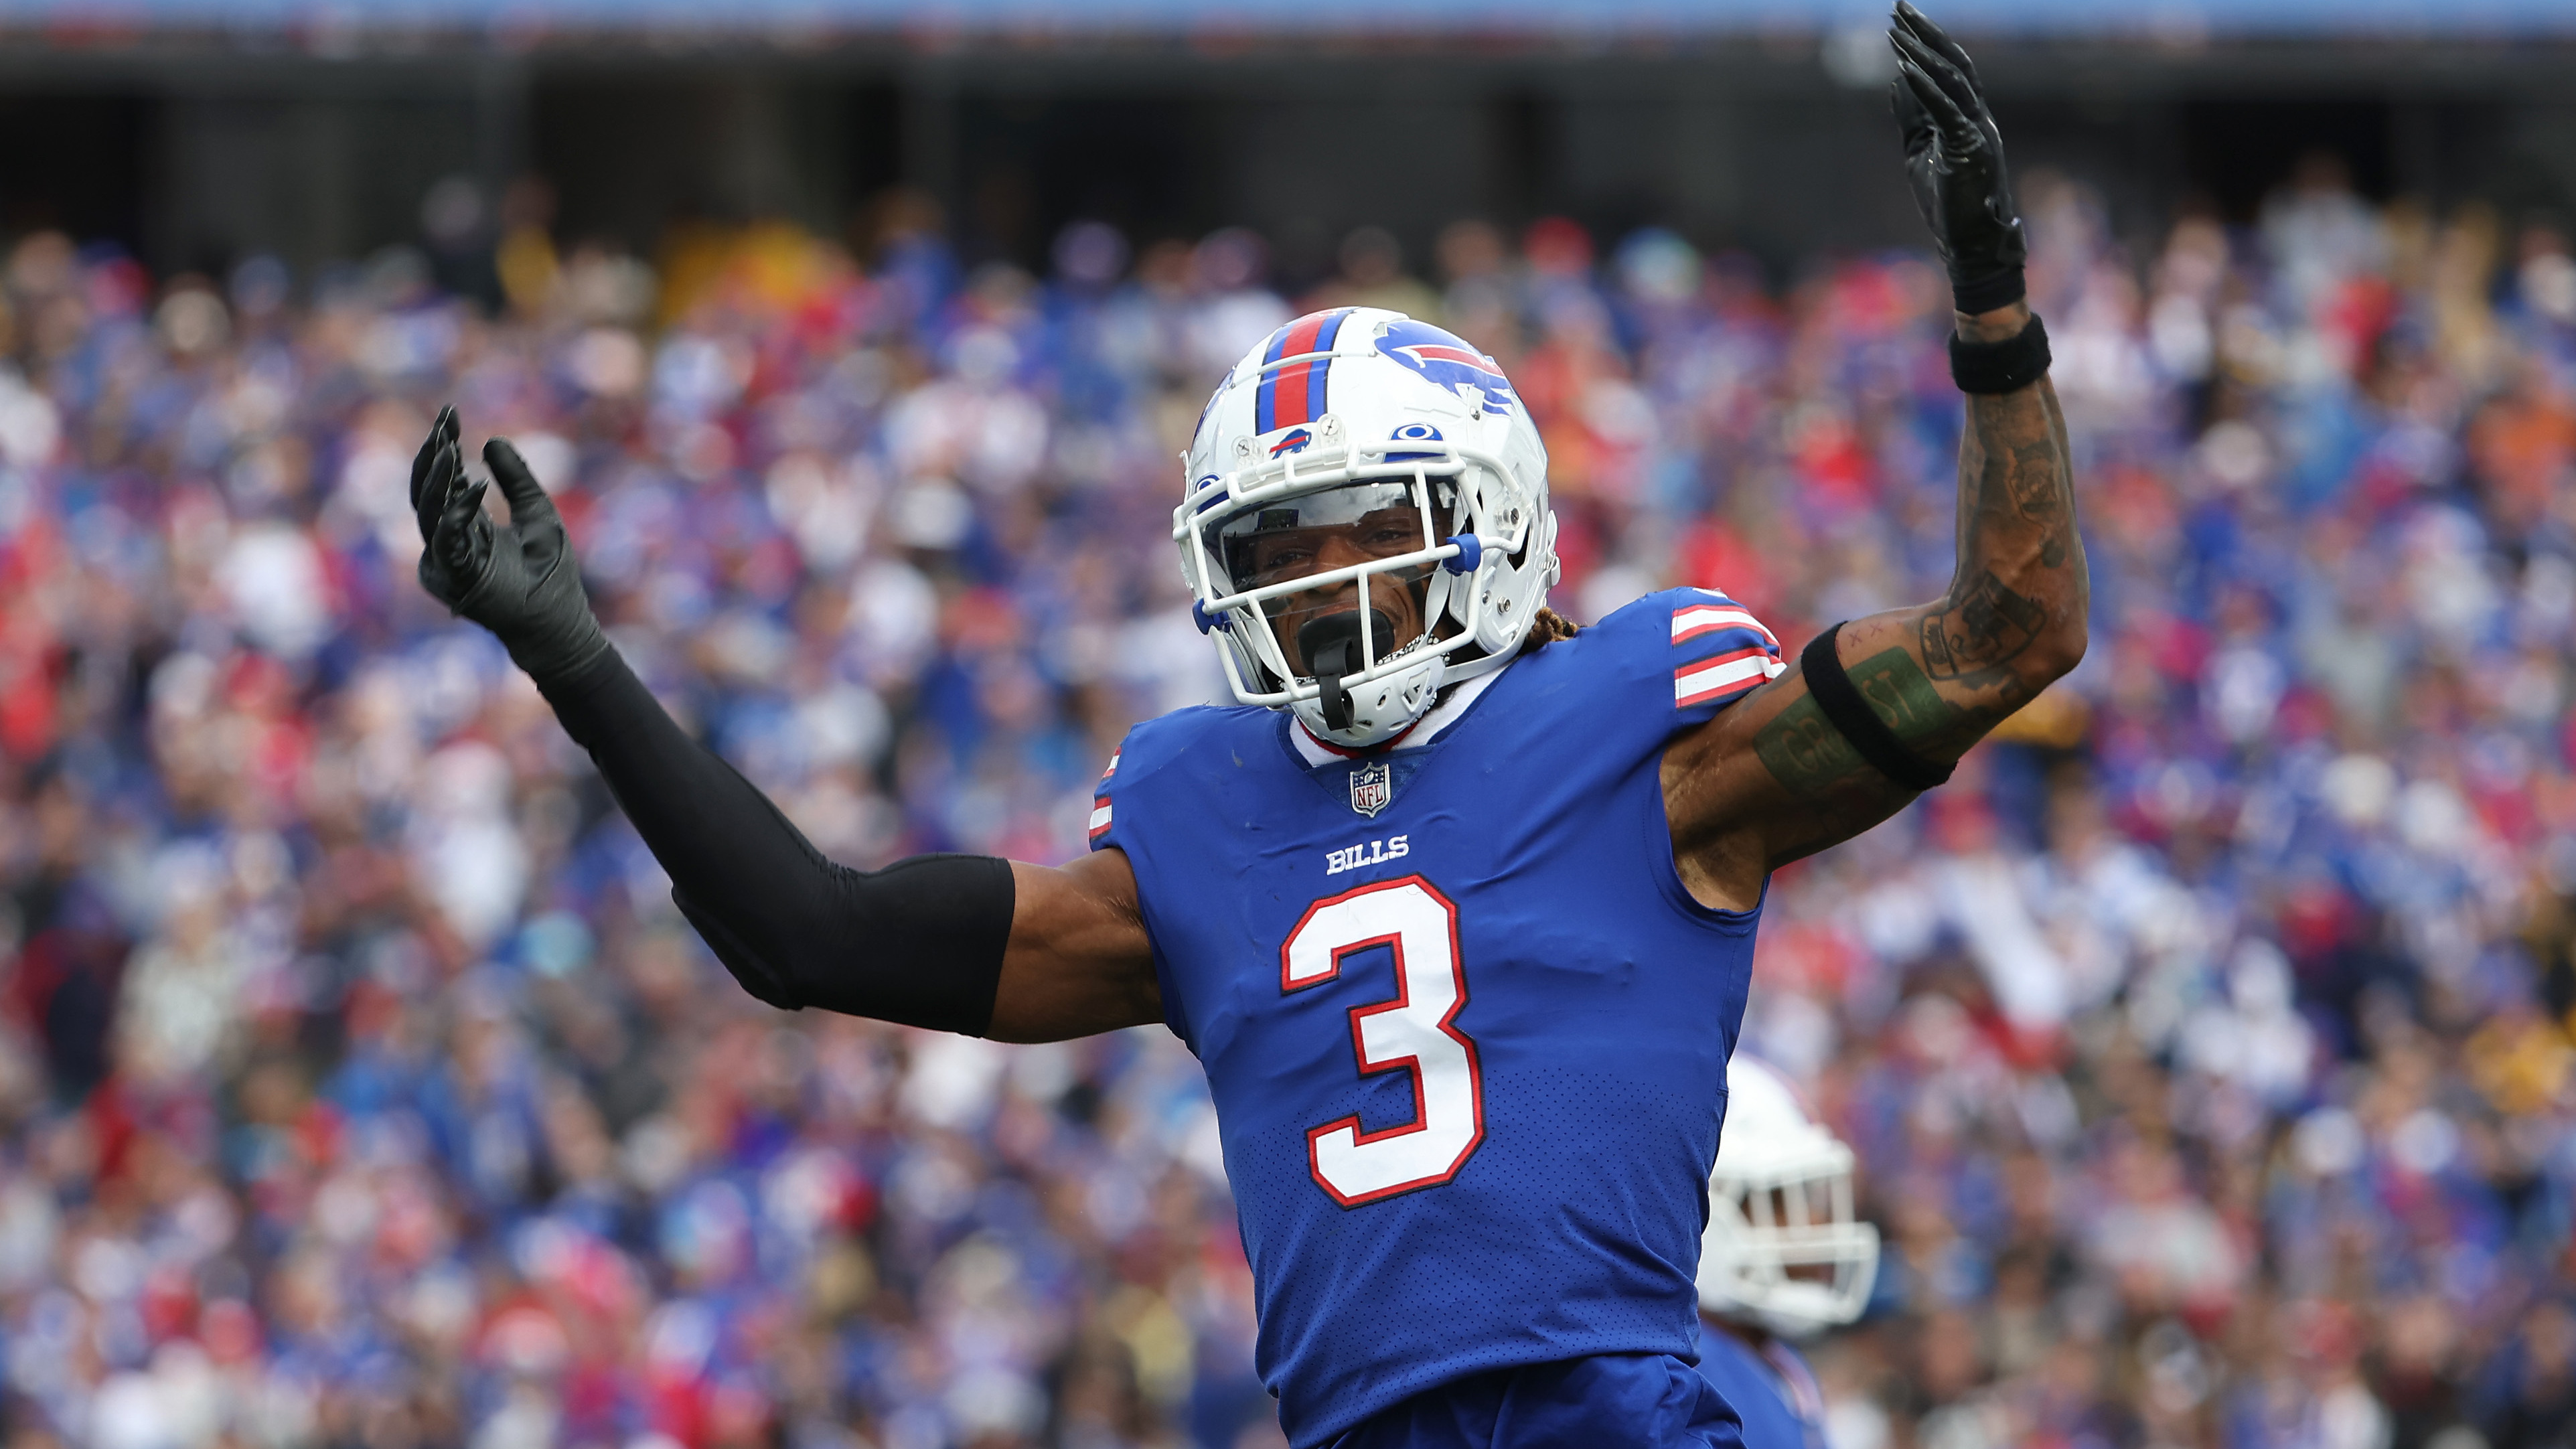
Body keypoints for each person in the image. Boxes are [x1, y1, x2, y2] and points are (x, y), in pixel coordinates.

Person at [406, 6, 2081, 1444]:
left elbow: (2008, 634)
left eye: (1370, 531)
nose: (1330, 587)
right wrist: (574, 659)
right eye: (1284, 551)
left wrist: (1993, 314)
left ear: (1487, 518)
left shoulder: (1648, 740)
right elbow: (805, 933)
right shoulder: (1200, 825)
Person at [1693, 1057, 1883, 1449]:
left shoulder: (1775, 1358)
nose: (1814, 1222)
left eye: (1811, 1198)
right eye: (1778, 1199)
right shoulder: (1686, 1375)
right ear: (1702, 1211)